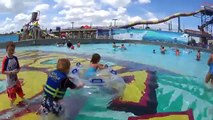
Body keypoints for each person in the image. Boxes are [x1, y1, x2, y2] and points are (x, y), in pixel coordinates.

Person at [1, 42, 26, 108]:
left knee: (20, 91)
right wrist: (11, 72)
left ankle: (23, 99)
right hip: (9, 82)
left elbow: (18, 68)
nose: (11, 51)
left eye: (12, 50)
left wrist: (17, 71)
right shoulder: (5, 59)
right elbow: (2, 71)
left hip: (16, 79)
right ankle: (11, 105)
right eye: (9, 50)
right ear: (6, 50)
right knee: (12, 96)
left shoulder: (15, 58)